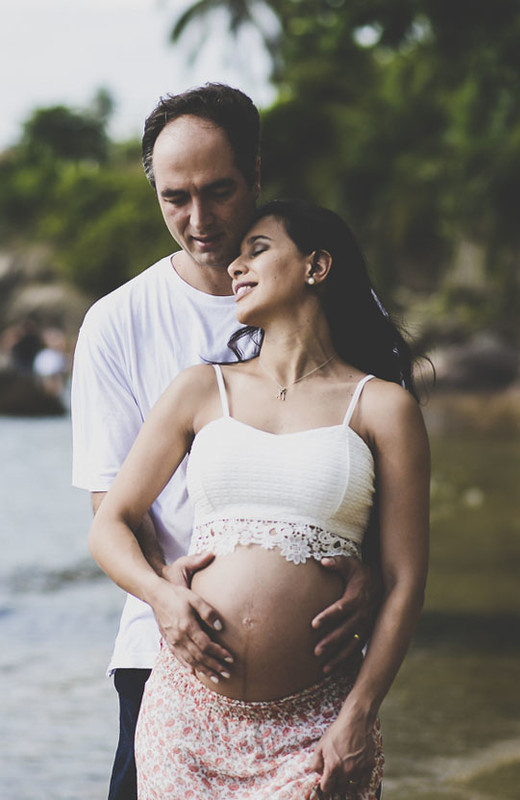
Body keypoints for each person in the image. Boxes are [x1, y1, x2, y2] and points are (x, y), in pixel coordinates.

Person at [71, 86, 376, 800]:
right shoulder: (118, 323)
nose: (198, 220)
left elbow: (388, 485)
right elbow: (109, 512)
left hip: (321, 678)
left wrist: (374, 576)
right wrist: (163, 599)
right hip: (164, 662)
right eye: (175, 198)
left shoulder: (340, 306)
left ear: (257, 175)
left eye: (219, 191)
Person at [89, 199, 430, 798]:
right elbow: (110, 522)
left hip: (318, 727)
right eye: (237, 255)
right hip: (184, 721)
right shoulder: (200, 387)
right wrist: (162, 597)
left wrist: (360, 714)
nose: (236, 268)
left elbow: (405, 579)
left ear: (316, 266)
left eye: (258, 250)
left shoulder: (382, 406)